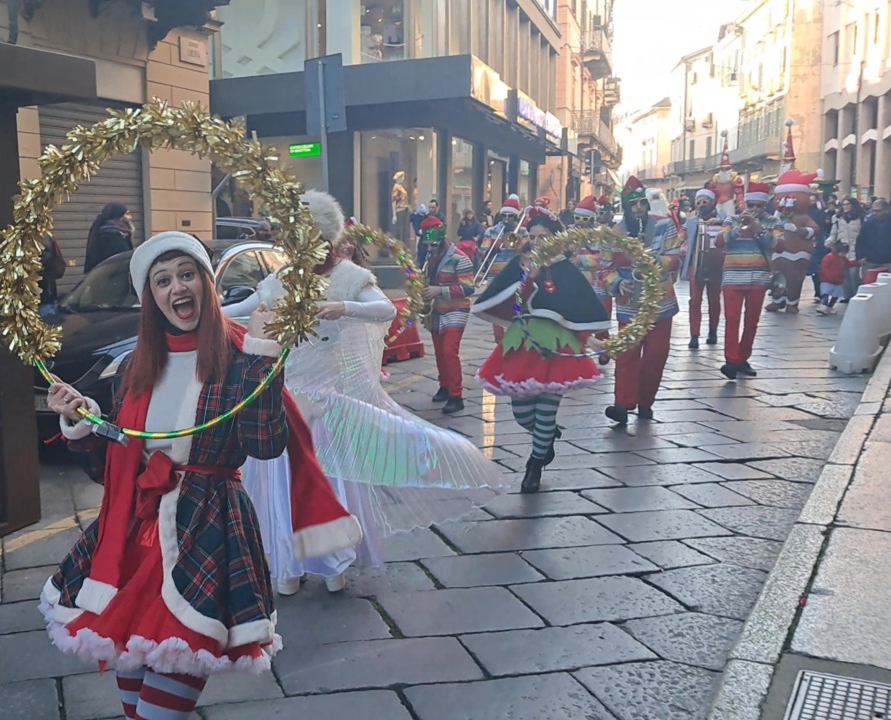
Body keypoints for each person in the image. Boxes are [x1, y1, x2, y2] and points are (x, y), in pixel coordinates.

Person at [41, 231, 360, 720]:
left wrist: (262, 354)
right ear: (150, 297)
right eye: (162, 280)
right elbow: (114, 472)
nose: (177, 288)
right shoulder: (136, 365)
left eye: (186, 274)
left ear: (207, 283)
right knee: (133, 708)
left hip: (207, 532)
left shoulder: (238, 353)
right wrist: (81, 425)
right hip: (131, 543)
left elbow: (265, 443)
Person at [223, 191, 507, 595]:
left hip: (326, 403)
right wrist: (203, 308)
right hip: (281, 404)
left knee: (331, 480)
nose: (300, 248)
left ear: (323, 237)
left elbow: (385, 309)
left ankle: (332, 562)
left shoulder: (350, 276)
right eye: (293, 240)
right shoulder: (282, 279)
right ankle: (286, 564)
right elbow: (243, 306)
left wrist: (344, 307)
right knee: (279, 484)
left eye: (307, 238)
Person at [472, 210, 609, 493]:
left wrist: (592, 341)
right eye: (532, 236)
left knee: (546, 409)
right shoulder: (519, 264)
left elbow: (576, 310)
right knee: (522, 414)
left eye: (542, 237)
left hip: (556, 347)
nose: (536, 242)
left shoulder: (565, 269)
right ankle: (546, 437)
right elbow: (512, 303)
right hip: (521, 344)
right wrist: (527, 279)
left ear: (555, 239)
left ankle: (534, 465)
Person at [601, 177, 682, 424]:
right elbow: (603, 269)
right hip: (629, 302)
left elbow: (676, 257)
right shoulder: (613, 234)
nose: (638, 208)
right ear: (625, 207)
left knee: (656, 355)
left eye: (641, 203)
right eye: (633, 204)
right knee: (627, 354)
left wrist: (654, 262)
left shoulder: (665, 225)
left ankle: (646, 401)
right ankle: (622, 404)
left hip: (661, 301)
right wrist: (617, 283)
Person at [719, 189, 776, 380]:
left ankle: (743, 358)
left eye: (759, 206)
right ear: (744, 205)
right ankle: (730, 361)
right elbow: (719, 241)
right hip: (733, 277)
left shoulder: (773, 222)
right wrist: (738, 229)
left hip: (758, 278)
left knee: (751, 322)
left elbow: (777, 244)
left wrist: (758, 228)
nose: (755, 209)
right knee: (732, 319)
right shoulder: (731, 219)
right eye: (751, 205)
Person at [422, 215, 475, 415]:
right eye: (426, 245)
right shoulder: (430, 258)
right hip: (437, 310)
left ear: (442, 240)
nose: (429, 249)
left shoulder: (460, 259)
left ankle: (456, 396)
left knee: (448, 351)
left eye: (433, 245)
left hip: (456, 309)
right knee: (438, 352)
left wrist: (438, 291)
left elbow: (469, 288)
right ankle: (444, 386)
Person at [764, 169, 823, 313]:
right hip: (779, 252)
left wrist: (798, 230)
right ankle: (777, 300)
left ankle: (792, 302)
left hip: (798, 252)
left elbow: (814, 230)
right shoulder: (776, 217)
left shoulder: (803, 217)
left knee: (795, 278)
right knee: (777, 276)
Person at [570, 196, 615, 363]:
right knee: (577, 321)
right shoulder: (568, 233)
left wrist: (582, 260)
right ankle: (578, 352)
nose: (580, 223)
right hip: (576, 285)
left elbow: (605, 258)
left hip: (599, 284)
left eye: (584, 219)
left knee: (601, 321)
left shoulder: (603, 234)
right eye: (578, 219)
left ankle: (604, 349)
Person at [683, 189, 726, 349]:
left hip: (716, 265)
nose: (702, 205)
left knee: (714, 300)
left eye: (705, 201)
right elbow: (683, 238)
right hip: (696, 265)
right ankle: (694, 335)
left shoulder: (724, 219)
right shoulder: (691, 221)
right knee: (694, 301)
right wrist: (683, 247)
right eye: (699, 202)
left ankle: (713, 331)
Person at [856, 198, 891, 281]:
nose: (874, 213)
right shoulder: (868, 222)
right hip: (870, 260)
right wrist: (860, 256)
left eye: (878, 211)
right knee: (868, 286)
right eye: (873, 210)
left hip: (890, 260)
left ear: (886, 210)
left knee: (888, 287)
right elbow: (861, 240)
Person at [827, 198, 864, 300]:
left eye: (848, 204)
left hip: (856, 249)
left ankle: (856, 296)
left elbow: (865, 235)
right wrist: (829, 242)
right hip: (842, 250)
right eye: (844, 204)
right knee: (844, 275)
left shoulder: (861, 218)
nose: (845, 206)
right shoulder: (838, 218)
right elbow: (833, 233)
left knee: (854, 275)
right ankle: (847, 296)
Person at [84, 203, 134, 273]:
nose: (130, 217)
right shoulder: (113, 235)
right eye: (127, 214)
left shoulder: (104, 231)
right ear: (119, 216)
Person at [39, 235, 68, 319]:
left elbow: (46, 260)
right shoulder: (46, 237)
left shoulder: (43, 238)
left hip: (44, 293)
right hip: (46, 293)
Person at [818, 243, 852, 315]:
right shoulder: (829, 257)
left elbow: (848, 264)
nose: (843, 254)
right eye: (842, 253)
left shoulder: (842, 259)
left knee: (835, 295)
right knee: (825, 293)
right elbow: (824, 267)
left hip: (837, 281)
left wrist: (857, 263)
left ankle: (829, 307)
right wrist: (828, 275)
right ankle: (824, 306)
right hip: (828, 280)